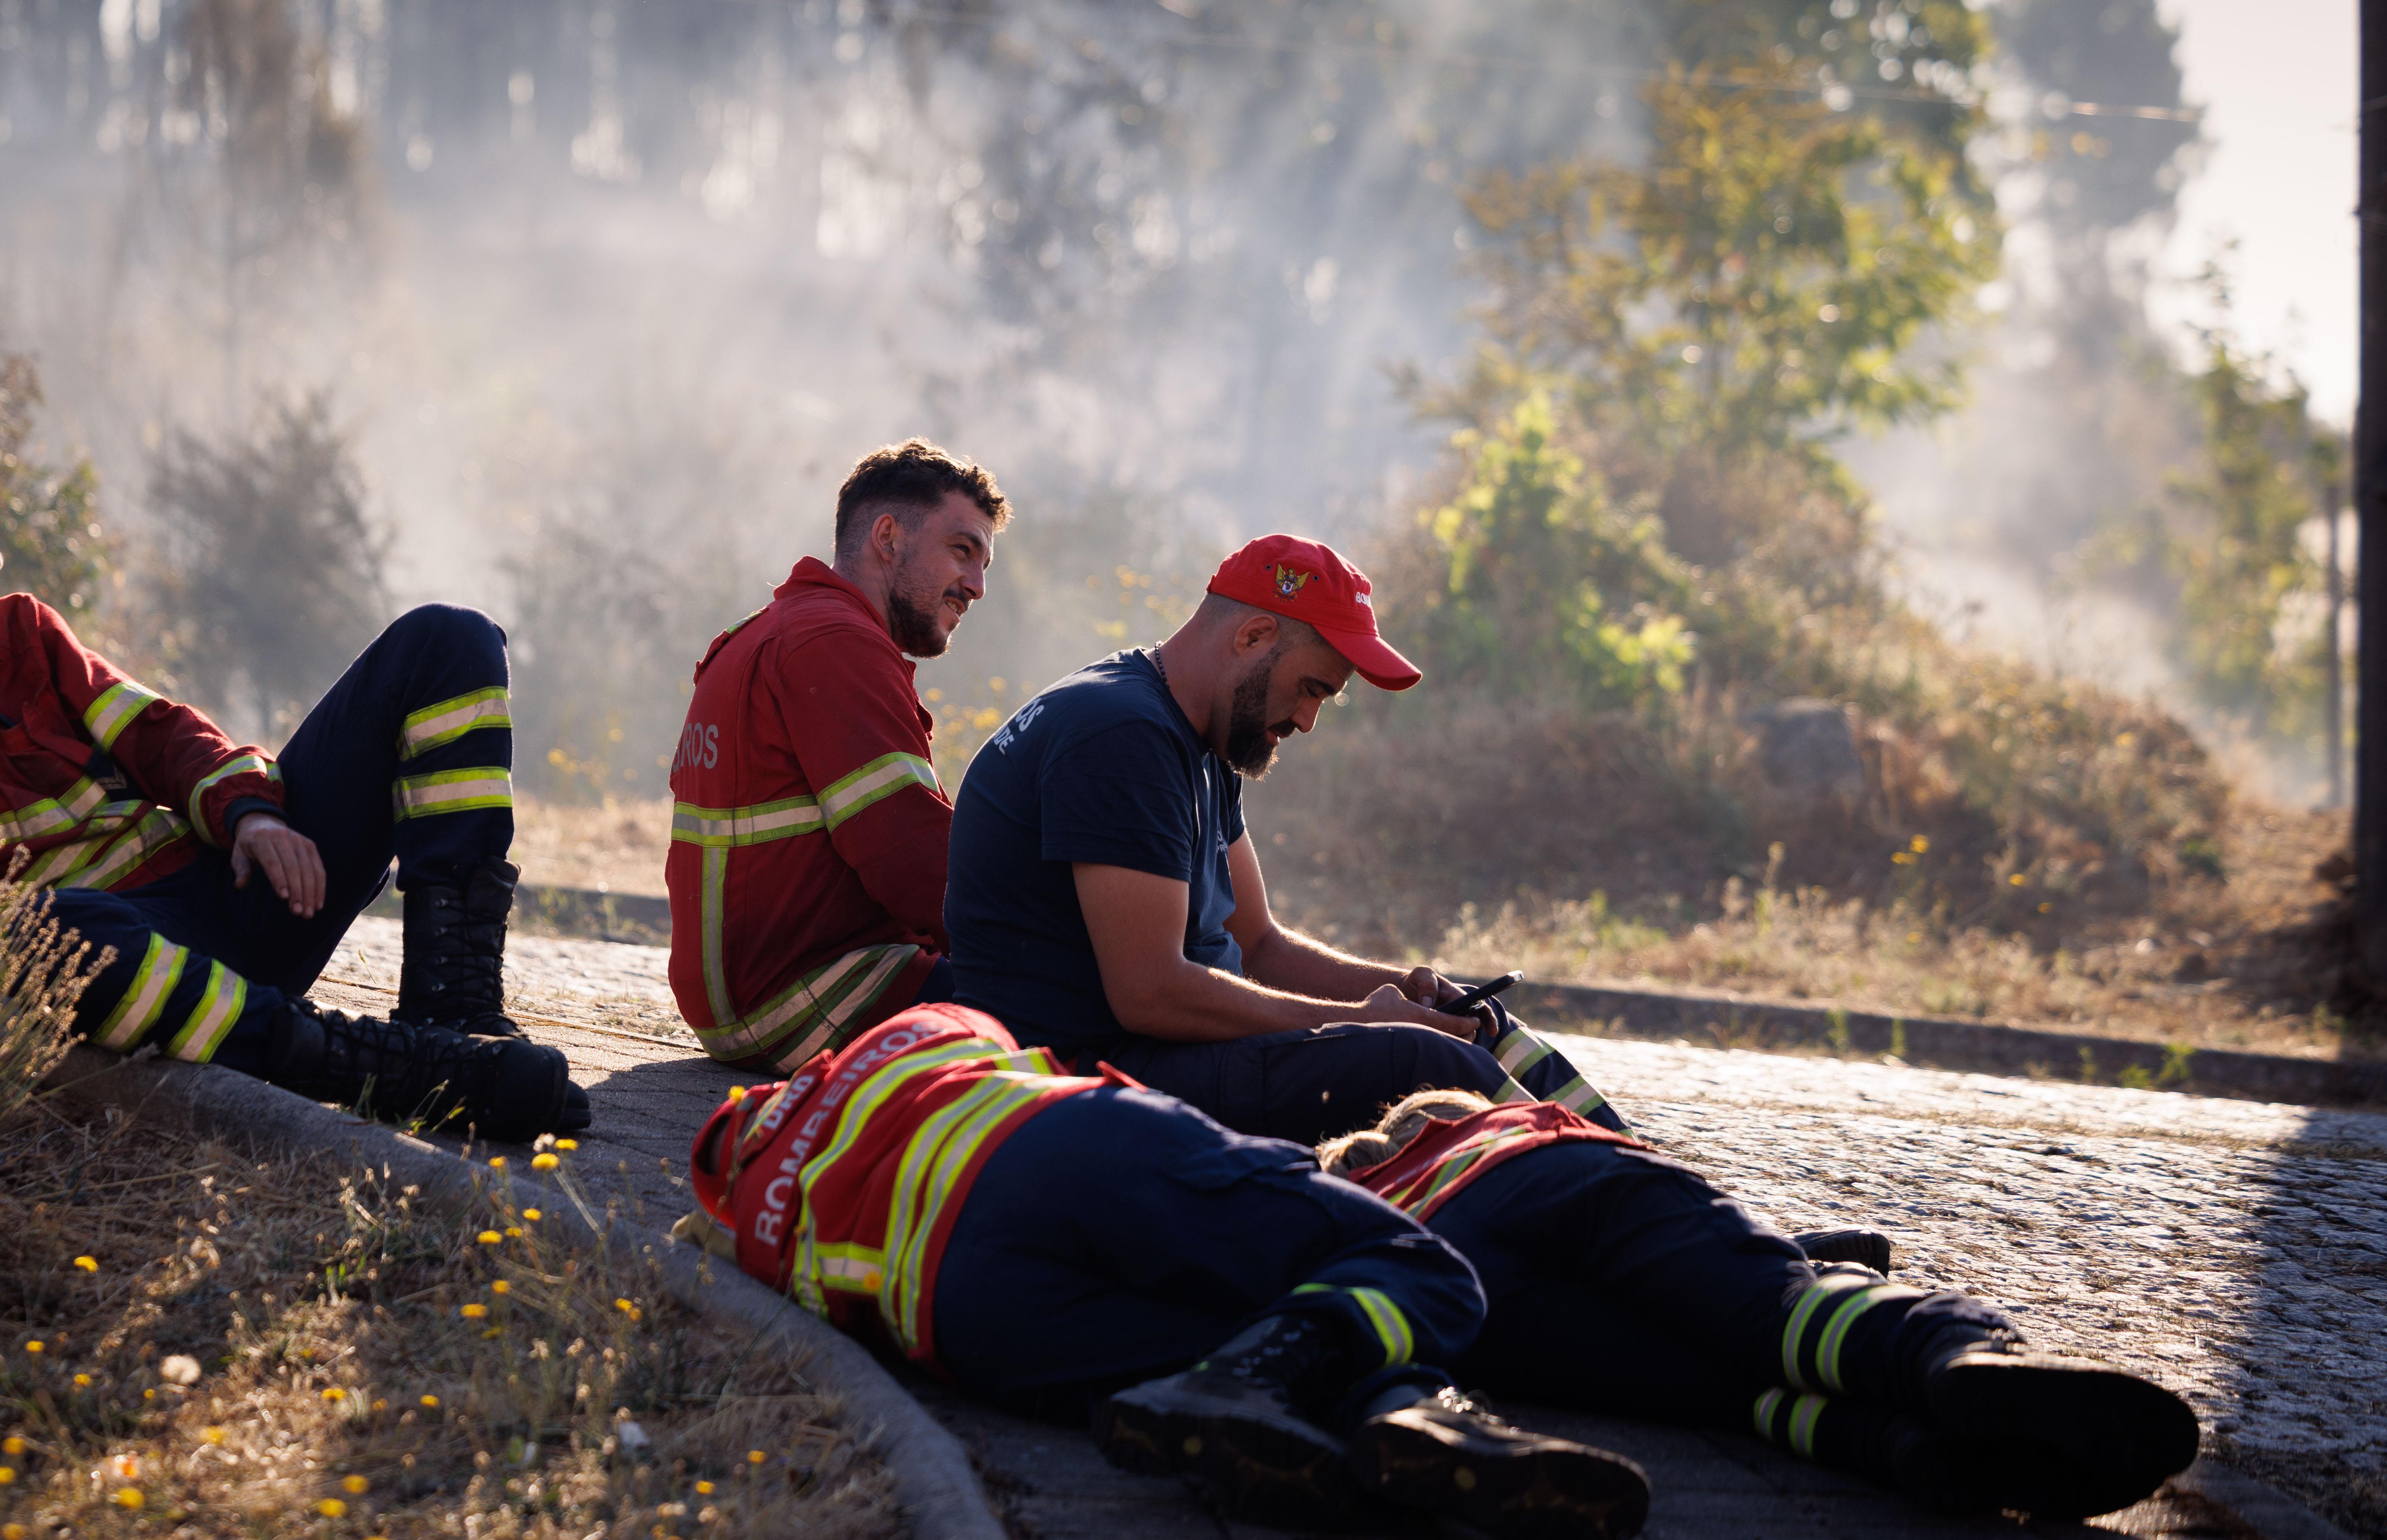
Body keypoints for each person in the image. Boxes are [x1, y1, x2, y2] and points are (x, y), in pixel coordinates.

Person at [0, 404, 587, 1141]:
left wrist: (251, 817)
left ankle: (452, 1010)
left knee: (448, 639)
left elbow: (161, 734)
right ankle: (377, 1068)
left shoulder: (23, 636)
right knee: (38, 926)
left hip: (235, 893)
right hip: (107, 963)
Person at [678, 1000, 1653, 1539]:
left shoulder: (756, 1216)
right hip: (1055, 1148)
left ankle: (1398, 1416)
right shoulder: (904, 1037)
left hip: (964, 1314)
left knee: (1271, 1345)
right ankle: (1407, 1406)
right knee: (1419, 1266)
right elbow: (1004, 1042)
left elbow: (709, 1250)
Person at [944, 532, 1622, 1145]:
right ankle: (1598, 1198)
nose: (1307, 719)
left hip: (1162, 1055)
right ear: (1252, 636)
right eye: (1310, 689)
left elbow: (1258, 944)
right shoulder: (1121, 735)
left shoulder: (1203, 736)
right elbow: (1149, 992)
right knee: (1424, 1060)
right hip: (1087, 1076)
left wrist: (1406, 993)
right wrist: (1365, 1021)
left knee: (1476, 1023)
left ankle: (1630, 1166)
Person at [1314, 1090, 2201, 1522]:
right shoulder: (1501, 1121)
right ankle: (1954, 1359)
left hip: (1468, 1283)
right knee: (1782, 1313)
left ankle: (1905, 1449)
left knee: (1727, 1396)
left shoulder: (1373, 1206)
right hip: (1563, 1179)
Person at [664, 440, 1004, 1071]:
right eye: (962, 551)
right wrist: (1045, 949)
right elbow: (914, 859)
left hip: (752, 998)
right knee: (1081, 1015)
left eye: (984, 564)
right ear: (887, 536)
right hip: (817, 995)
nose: (977, 587)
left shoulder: (771, 632)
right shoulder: (834, 642)